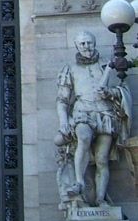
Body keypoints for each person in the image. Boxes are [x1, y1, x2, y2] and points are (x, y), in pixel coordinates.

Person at [56, 30, 132, 205]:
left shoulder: (108, 65)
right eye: (82, 43)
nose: (86, 46)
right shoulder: (70, 69)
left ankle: (100, 198)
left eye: (89, 43)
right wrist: (64, 121)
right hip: (83, 112)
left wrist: (110, 92)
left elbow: (122, 90)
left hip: (105, 114)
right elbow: (62, 99)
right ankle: (79, 182)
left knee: (101, 159)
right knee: (83, 137)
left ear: (94, 43)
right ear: (76, 45)